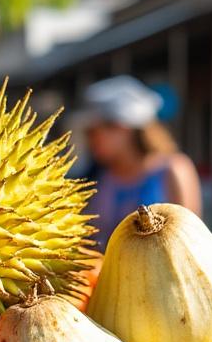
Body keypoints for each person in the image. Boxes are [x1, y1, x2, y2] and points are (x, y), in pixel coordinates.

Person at [81, 76, 201, 249]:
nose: (91, 140)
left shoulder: (173, 169)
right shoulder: (102, 177)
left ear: (123, 128)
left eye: (93, 132)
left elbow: (191, 238)